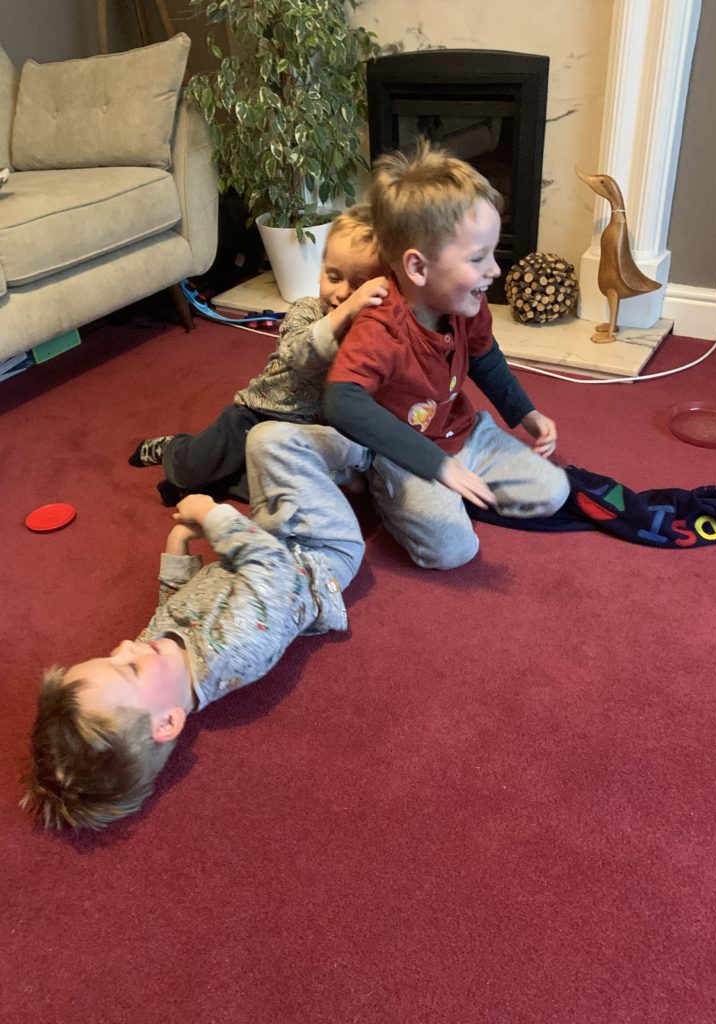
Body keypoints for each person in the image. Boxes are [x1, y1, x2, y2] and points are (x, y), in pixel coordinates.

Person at [22, 421, 370, 830]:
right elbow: (275, 567)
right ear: (168, 721)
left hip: (261, 546)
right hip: (317, 552)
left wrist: (177, 547)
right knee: (267, 440)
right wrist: (211, 515)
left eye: (109, 656)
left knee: (264, 464)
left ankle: (336, 474)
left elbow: (169, 612)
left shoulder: (157, 663)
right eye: (128, 668)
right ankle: (372, 454)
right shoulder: (236, 649)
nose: (124, 646)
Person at [322, 140, 570, 570]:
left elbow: (486, 358)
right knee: (454, 551)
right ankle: (380, 486)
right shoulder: (381, 327)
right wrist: (436, 466)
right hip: (405, 455)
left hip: (463, 432)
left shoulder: (466, 304)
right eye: (478, 258)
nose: (495, 269)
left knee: (554, 492)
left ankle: (457, 483)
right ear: (418, 268)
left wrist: (525, 413)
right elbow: (342, 399)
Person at [129, 204, 388, 505]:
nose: (343, 293)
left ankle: (213, 484)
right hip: (256, 414)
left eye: (358, 286)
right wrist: (346, 311)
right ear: (320, 273)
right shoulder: (305, 310)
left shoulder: (372, 333)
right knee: (193, 466)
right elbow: (300, 354)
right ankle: (175, 449)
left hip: (304, 434)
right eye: (333, 276)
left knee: (275, 493)